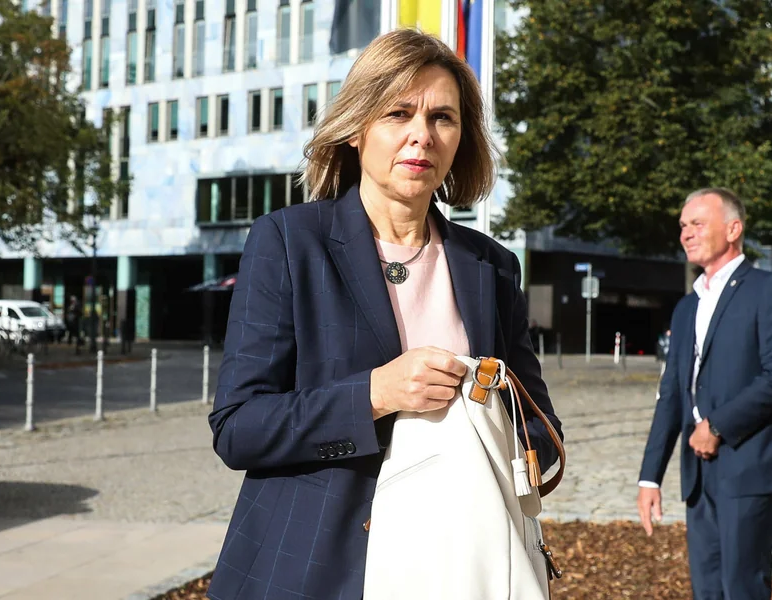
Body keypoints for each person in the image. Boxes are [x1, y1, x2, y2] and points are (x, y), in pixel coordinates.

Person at [206, 28, 563, 600]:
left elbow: (541, 431)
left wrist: (485, 413)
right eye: (399, 113)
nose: (422, 135)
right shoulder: (290, 241)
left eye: (443, 118)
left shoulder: (491, 266)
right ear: (356, 128)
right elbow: (238, 428)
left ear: (461, 138)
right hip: (316, 569)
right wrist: (375, 394)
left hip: (455, 567)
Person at [637, 188, 772, 600]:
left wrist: (716, 426)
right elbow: (671, 395)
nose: (686, 233)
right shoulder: (686, 307)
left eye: (697, 223)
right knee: (707, 590)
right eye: (683, 226)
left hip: (748, 465)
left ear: (733, 229)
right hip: (698, 475)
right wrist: (649, 476)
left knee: (742, 589)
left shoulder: (768, 289)